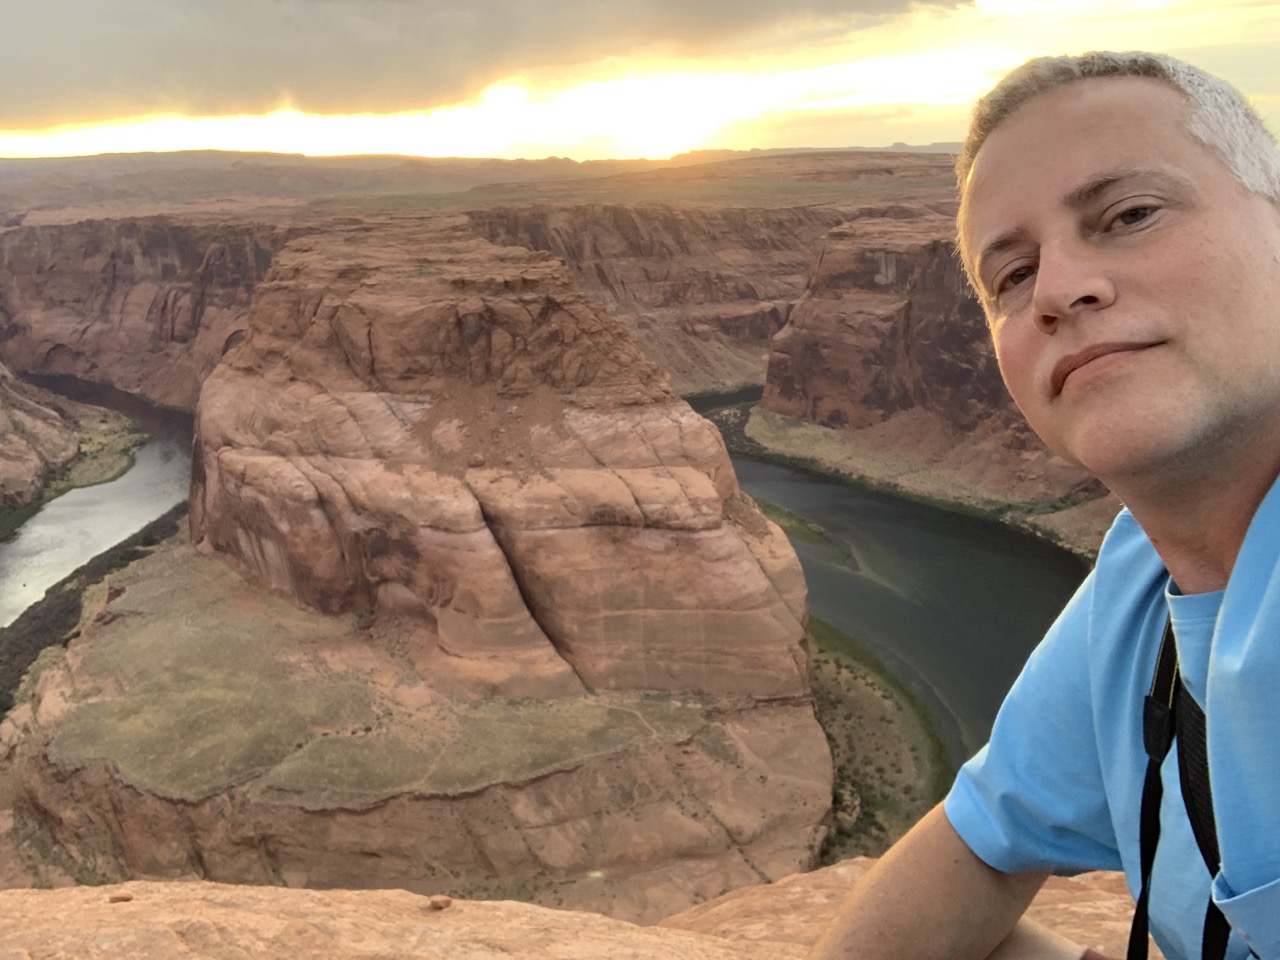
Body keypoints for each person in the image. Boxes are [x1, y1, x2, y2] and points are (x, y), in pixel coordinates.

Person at [805, 51, 1280, 960]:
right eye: (1011, 276)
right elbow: (980, 847)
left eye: (1130, 215)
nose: (1060, 291)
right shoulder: (1142, 574)